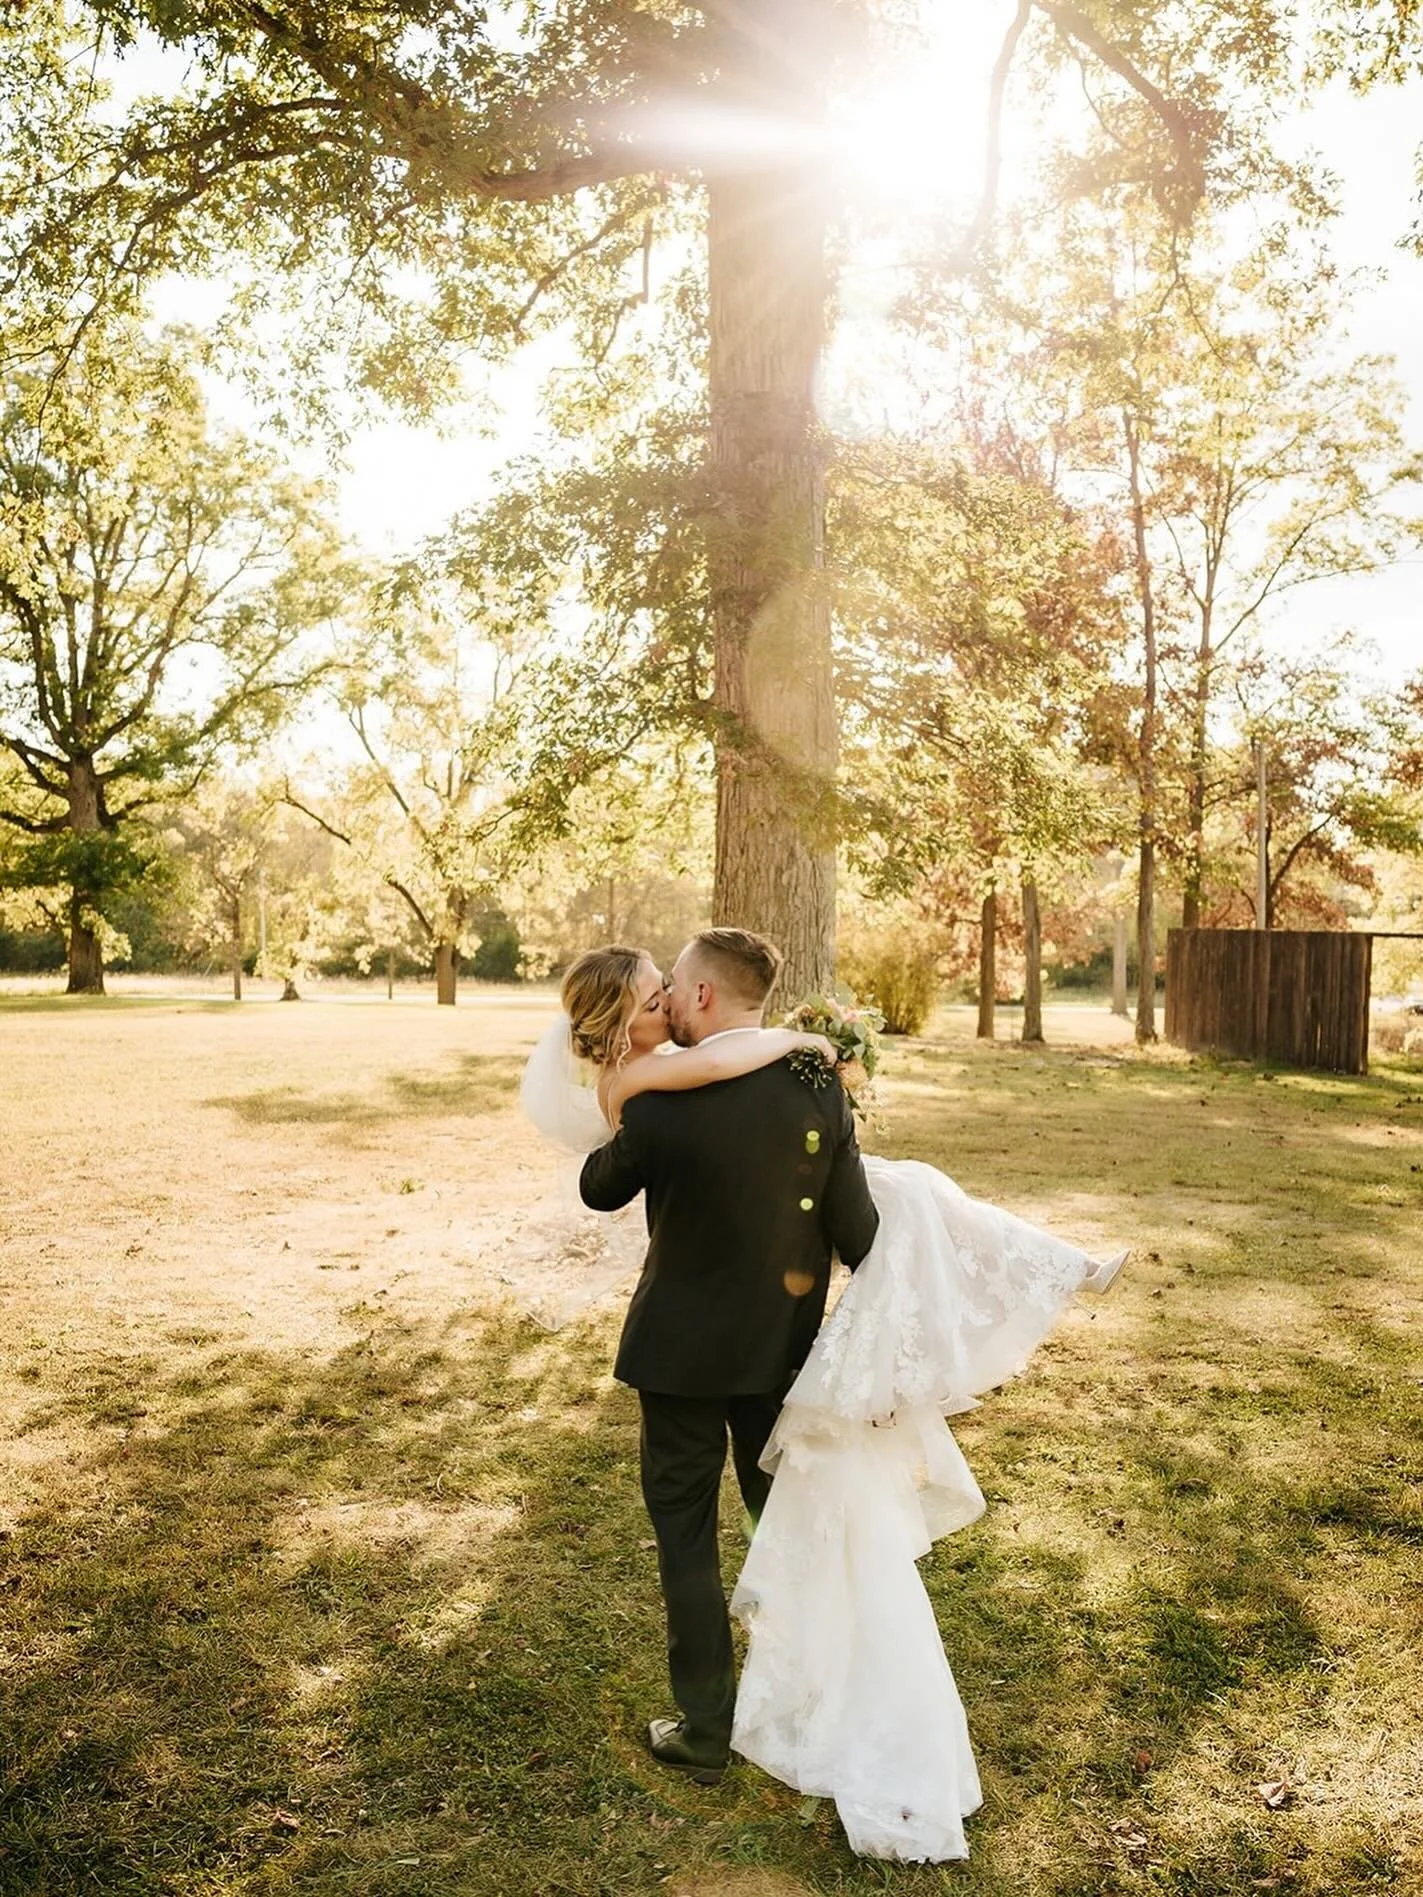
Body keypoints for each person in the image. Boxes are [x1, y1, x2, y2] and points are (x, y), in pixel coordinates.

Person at [519, 927, 1127, 1861]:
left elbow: (601, 1188)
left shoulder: (652, 1104)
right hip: (779, 1357)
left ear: (704, 999)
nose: (668, 1003)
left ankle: (706, 1730)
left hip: (675, 1357)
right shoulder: (813, 1086)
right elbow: (855, 1230)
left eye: (672, 989)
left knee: (683, 1534)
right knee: (788, 1528)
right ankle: (803, 1698)